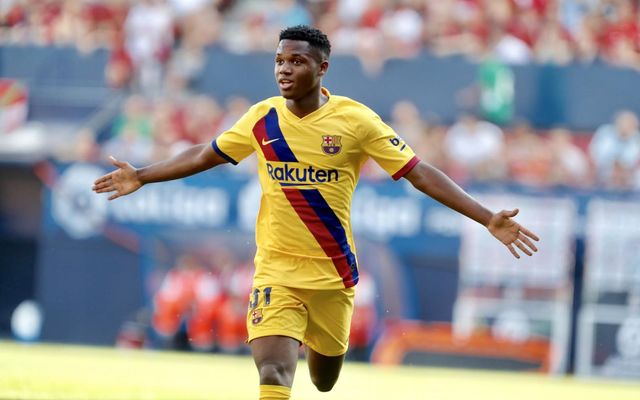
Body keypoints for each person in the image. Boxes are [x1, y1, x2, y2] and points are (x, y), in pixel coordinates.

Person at [92, 25, 539, 400]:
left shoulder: (357, 122)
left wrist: (486, 217)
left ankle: (320, 349)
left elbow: (419, 172)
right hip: (276, 271)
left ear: (322, 68)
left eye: (297, 61)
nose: (285, 69)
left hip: (333, 275)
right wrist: (143, 175)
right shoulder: (262, 119)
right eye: (280, 60)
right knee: (272, 374)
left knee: (324, 381)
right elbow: (205, 154)